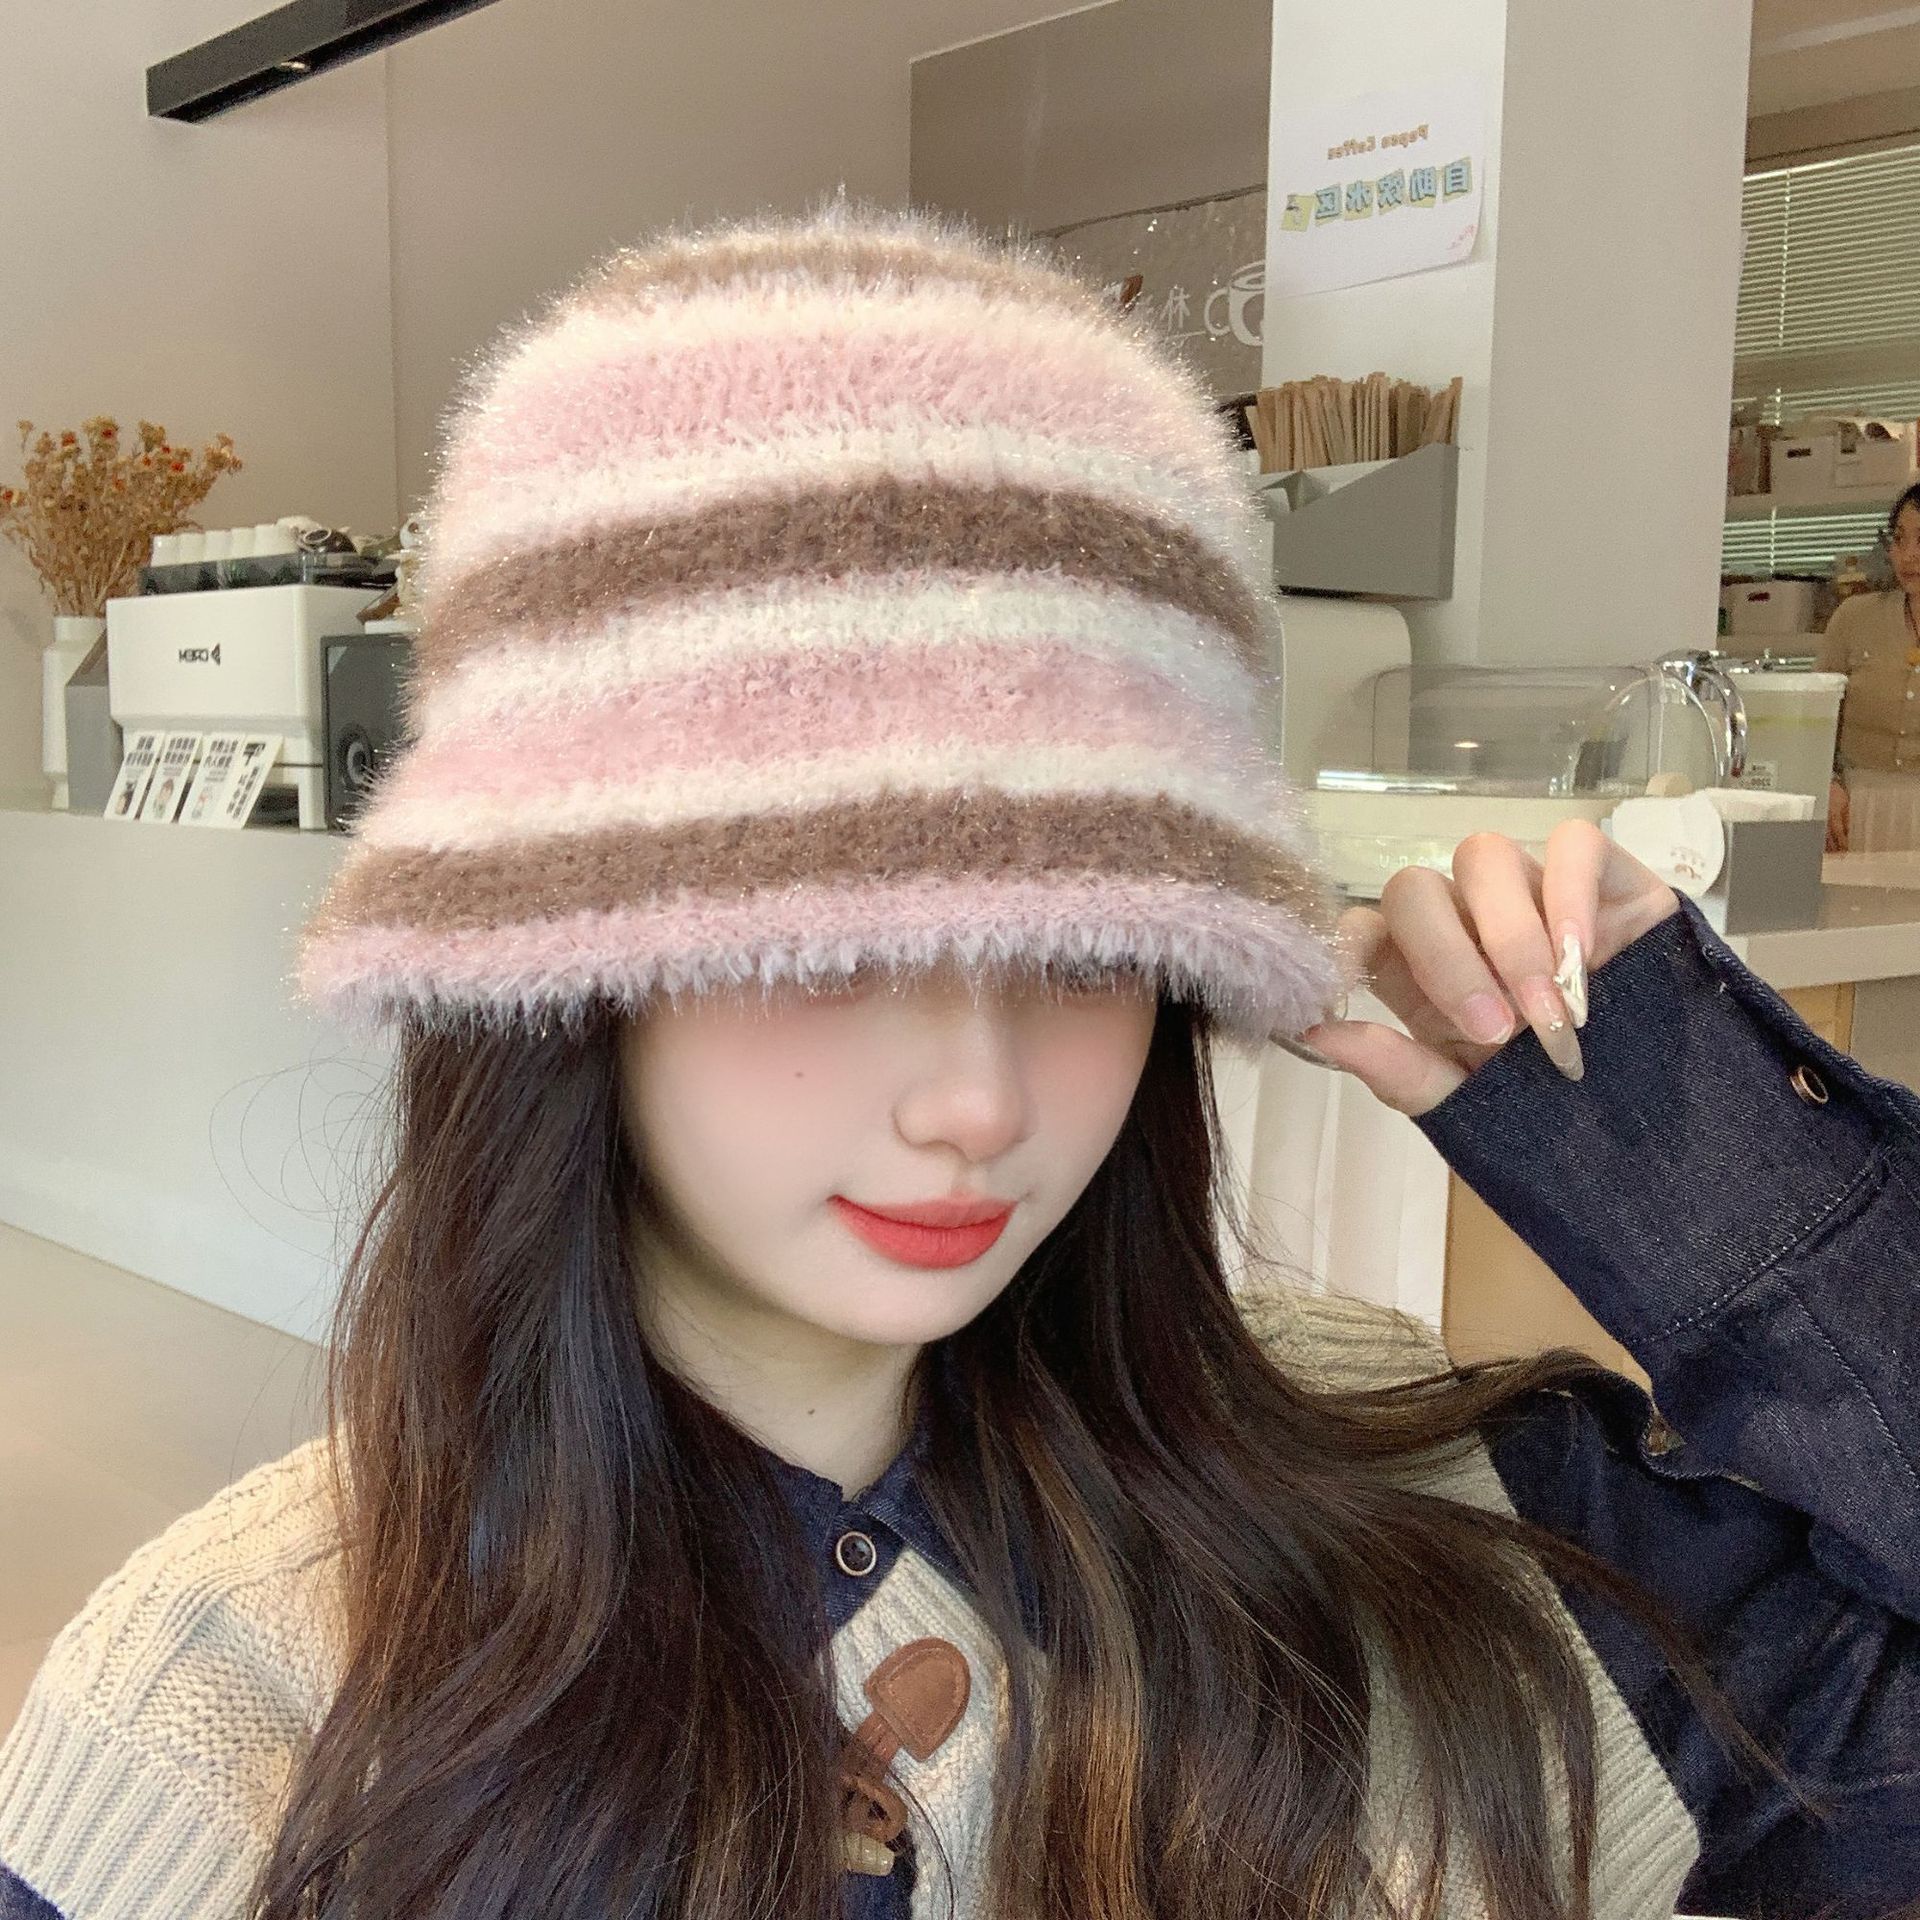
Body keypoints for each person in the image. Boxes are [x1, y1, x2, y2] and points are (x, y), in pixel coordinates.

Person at [0, 204, 1913, 1920]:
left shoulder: (1434, 1504)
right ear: (569, 971)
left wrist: (1686, 1144)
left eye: (1082, 950)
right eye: (835, 948)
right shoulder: (223, 1718)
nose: (982, 1102)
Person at [1819, 480, 1920, 852]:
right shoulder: (1855, 617)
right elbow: (1817, 722)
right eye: (1899, 539)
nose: (1908, 555)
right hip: (1851, 814)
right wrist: (1827, 782)